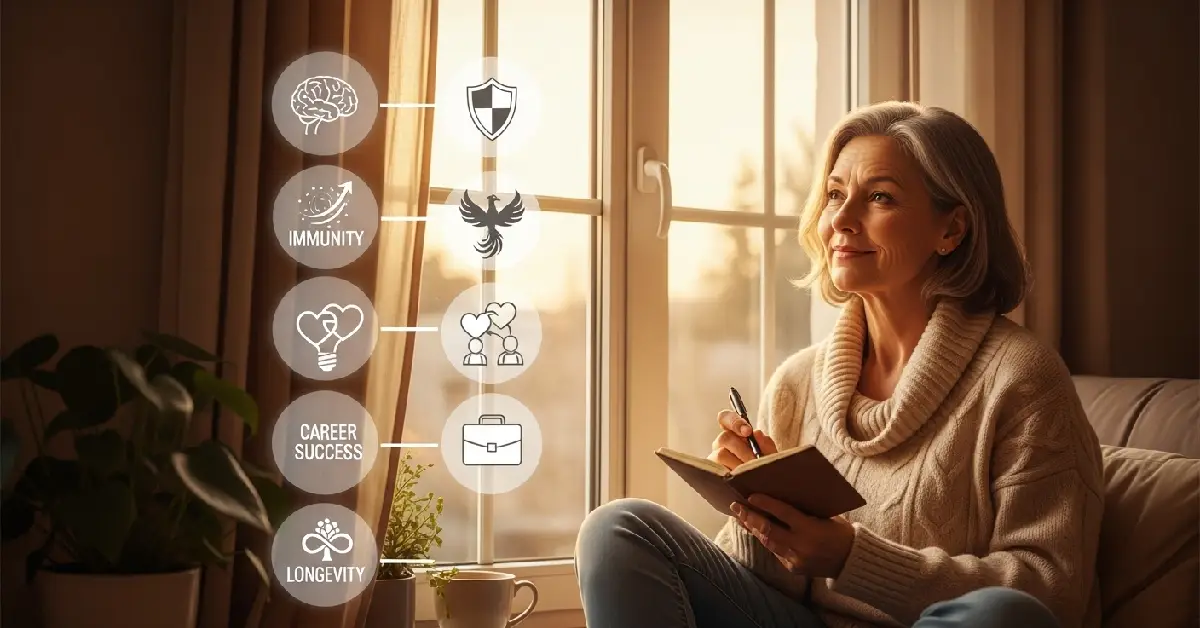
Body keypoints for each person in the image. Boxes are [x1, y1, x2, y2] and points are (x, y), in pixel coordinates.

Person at [575, 101, 1105, 628]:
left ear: (952, 231)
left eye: (879, 197)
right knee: (617, 528)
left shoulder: (1021, 379)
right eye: (834, 195)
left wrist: (854, 559)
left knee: (1002, 614)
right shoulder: (797, 383)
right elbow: (768, 586)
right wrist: (757, 511)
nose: (842, 221)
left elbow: (1053, 593)